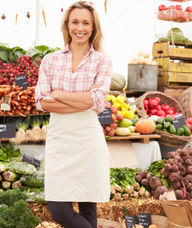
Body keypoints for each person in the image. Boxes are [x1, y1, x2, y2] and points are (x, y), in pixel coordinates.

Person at [34, 1, 112, 227]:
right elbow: (42, 102)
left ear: (93, 27)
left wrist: (58, 94)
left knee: (89, 208)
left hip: (88, 139)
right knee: (59, 210)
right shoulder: (50, 59)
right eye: (75, 22)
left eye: (86, 23)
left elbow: (96, 99)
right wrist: (82, 100)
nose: (80, 27)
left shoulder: (102, 60)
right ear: (67, 25)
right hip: (60, 139)